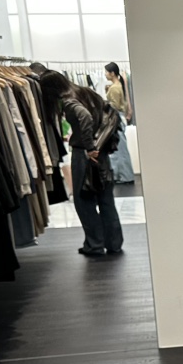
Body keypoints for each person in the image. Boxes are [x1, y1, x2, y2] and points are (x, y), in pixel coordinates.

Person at [39, 71, 124, 257]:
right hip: (102, 152)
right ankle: (114, 243)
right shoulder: (84, 92)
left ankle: (94, 244)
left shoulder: (68, 101)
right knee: (105, 198)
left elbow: (84, 116)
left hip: (84, 154)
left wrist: (89, 146)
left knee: (83, 200)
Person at [104, 63, 135, 185]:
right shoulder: (117, 86)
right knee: (118, 148)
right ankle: (122, 175)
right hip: (118, 118)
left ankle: (125, 176)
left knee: (120, 149)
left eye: (106, 72)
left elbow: (115, 106)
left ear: (112, 73)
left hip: (115, 118)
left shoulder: (114, 88)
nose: (105, 74)